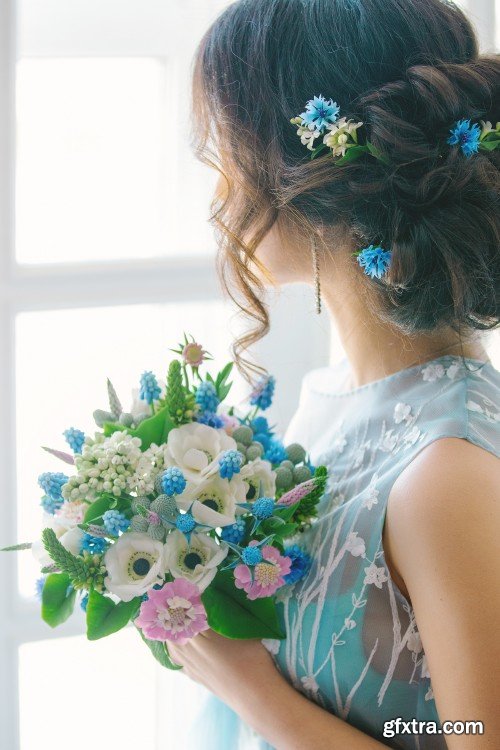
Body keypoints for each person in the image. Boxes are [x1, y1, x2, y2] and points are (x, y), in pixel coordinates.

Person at [167, 1, 500, 748]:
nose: (220, 195)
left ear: (314, 172)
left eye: (231, 149)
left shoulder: (446, 476)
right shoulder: (334, 393)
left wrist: (248, 689)